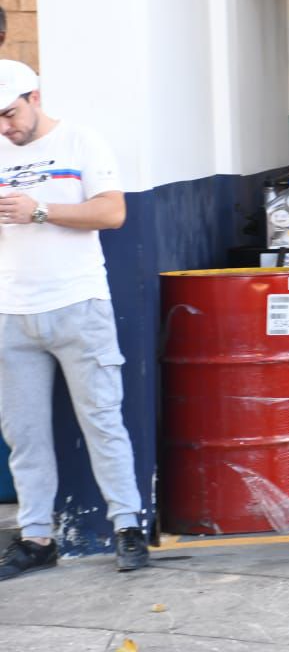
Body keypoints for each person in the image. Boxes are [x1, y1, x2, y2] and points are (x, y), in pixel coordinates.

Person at [0, 60, 149, 580]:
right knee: (23, 434)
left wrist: (40, 210)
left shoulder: (82, 141)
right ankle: (36, 537)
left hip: (79, 304)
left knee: (103, 419)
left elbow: (112, 213)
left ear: (35, 98)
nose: (5, 127)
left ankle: (128, 526)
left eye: (10, 114)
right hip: (11, 312)